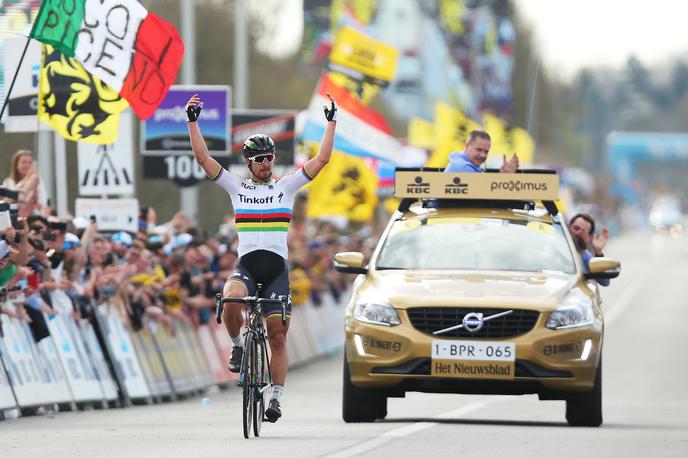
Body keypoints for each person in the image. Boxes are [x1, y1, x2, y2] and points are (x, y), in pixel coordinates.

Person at [185, 92, 337, 423]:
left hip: (276, 270)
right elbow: (202, 158)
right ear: (249, 162)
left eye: (270, 157)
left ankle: (276, 396)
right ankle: (239, 344)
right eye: (260, 159)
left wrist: (331, 123)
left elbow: (322, 159)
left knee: (278, 334)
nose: (267, 163)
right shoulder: (236, 187)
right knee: (229, 298)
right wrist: (192, 122)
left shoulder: (286, 187)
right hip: (248, 264)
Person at [444, 130, 519, 173]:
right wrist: (506, 176)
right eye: (478, 150)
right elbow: (487, 192)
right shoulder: (462, 167)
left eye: (486, 152)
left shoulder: (461, 163)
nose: (483, 155)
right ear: (467, 146)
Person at [568, 213, 610, 286]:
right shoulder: (552, 247)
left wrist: (598, 252)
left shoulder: (586, 257)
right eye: (576, 228)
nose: (578, 233)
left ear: (588, 238)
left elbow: (605, 281)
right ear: (568, 228)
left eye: (584, 232)